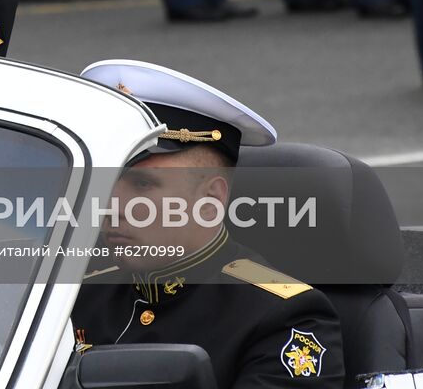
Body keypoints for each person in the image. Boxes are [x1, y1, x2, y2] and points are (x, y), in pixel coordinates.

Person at [73, 60, 345, 389]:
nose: (111, 206)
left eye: (142, 185)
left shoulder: (281, 315)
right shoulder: (79, 293)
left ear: (210, 198)